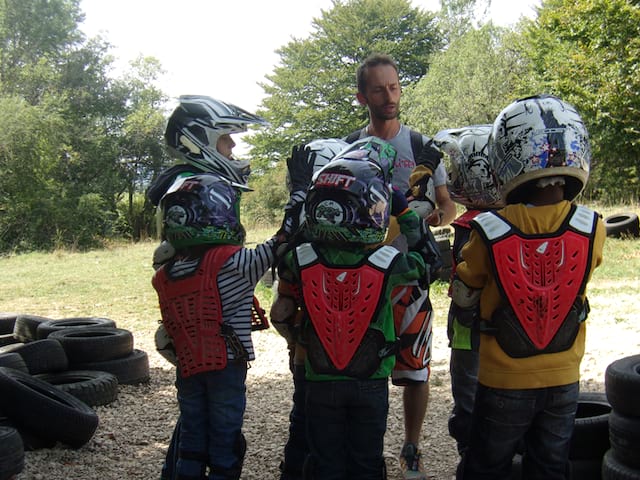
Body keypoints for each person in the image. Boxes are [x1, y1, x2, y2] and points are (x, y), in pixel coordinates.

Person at [452, 94, 605, 479]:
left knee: (487, 466)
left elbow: (465, 292)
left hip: (504, 377)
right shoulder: (593, 227)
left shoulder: (487, 230)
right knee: (551, 466)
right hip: (564, 377)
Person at [278, 137, 430, 479]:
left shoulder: (299, 260)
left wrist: (301, 195)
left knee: (325, 463)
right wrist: (402, 208)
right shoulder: (392, 263)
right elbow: (427, 260)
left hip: (318, 377)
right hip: (370, 380)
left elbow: (286, 246)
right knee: (365, 462)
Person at [147, 95, 269, 480]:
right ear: (201, 138)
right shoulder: (190, 184)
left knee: (195, 421)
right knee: (212, 430)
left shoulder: (184, 180)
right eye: (227, 140)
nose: (233, 148)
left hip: (190, 332)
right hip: (209, 331)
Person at [347, 53, 457, 480]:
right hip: (366, 276)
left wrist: (432, 216)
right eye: (379, 89)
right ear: (362, 96)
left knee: (415, 365)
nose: (389, 96)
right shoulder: (351, 149)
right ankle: (366, 448)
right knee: (366, 364)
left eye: (394, 87)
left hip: (411, 270)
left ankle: (411, 447)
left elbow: (448, 205)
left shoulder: (421, 147)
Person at [151, 173, 289, 480]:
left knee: (192, 434)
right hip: (226, 365)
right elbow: (279, 242)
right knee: (225, 439)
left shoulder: (164, 274)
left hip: (188, 365)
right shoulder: (234, 263)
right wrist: (298, 198)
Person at [270, 138, 349, 480]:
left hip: (310, 349)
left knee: (304, 420)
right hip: (355, 350)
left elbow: (285, 245)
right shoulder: (362, 228)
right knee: (346, 426)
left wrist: (298, 197)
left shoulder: (303, 232)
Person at [432, 124, 502, 455]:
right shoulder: (522, 216)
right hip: (509, 324)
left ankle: (472, 457)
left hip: (469, 326)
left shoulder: (470, 224)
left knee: (469, 395)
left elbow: (464, 288)